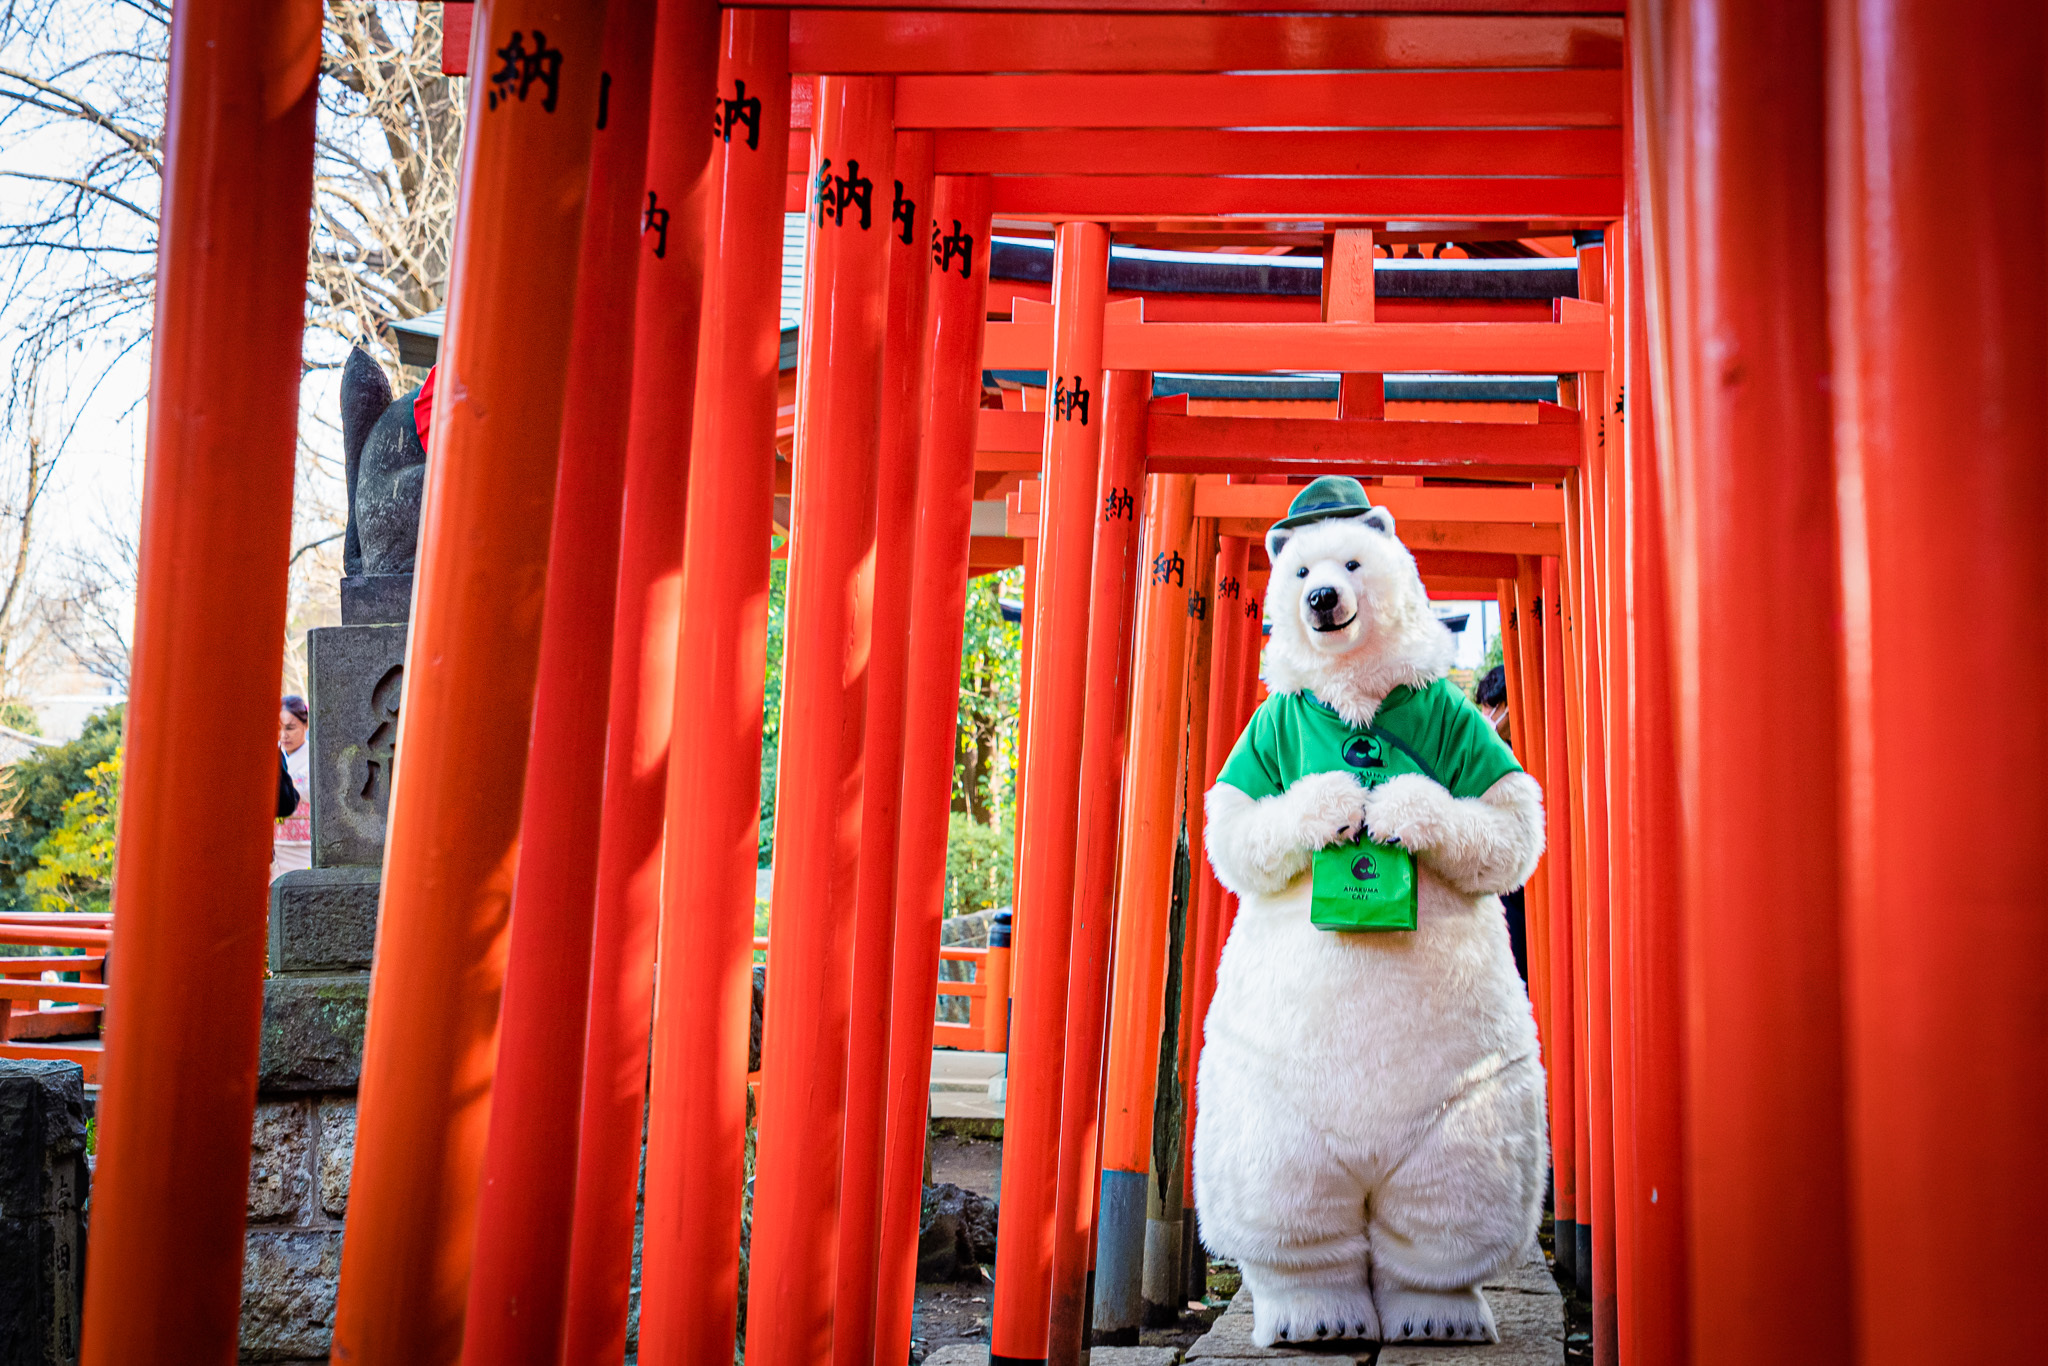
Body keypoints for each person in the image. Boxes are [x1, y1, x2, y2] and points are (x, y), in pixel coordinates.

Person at [273, 695, 312, 880]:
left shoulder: (313, 759)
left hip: (304, 848)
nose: (284, 736)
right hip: (277, 846)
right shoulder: (275, 757)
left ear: (305, 725)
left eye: (290, 728)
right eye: (280, 729)